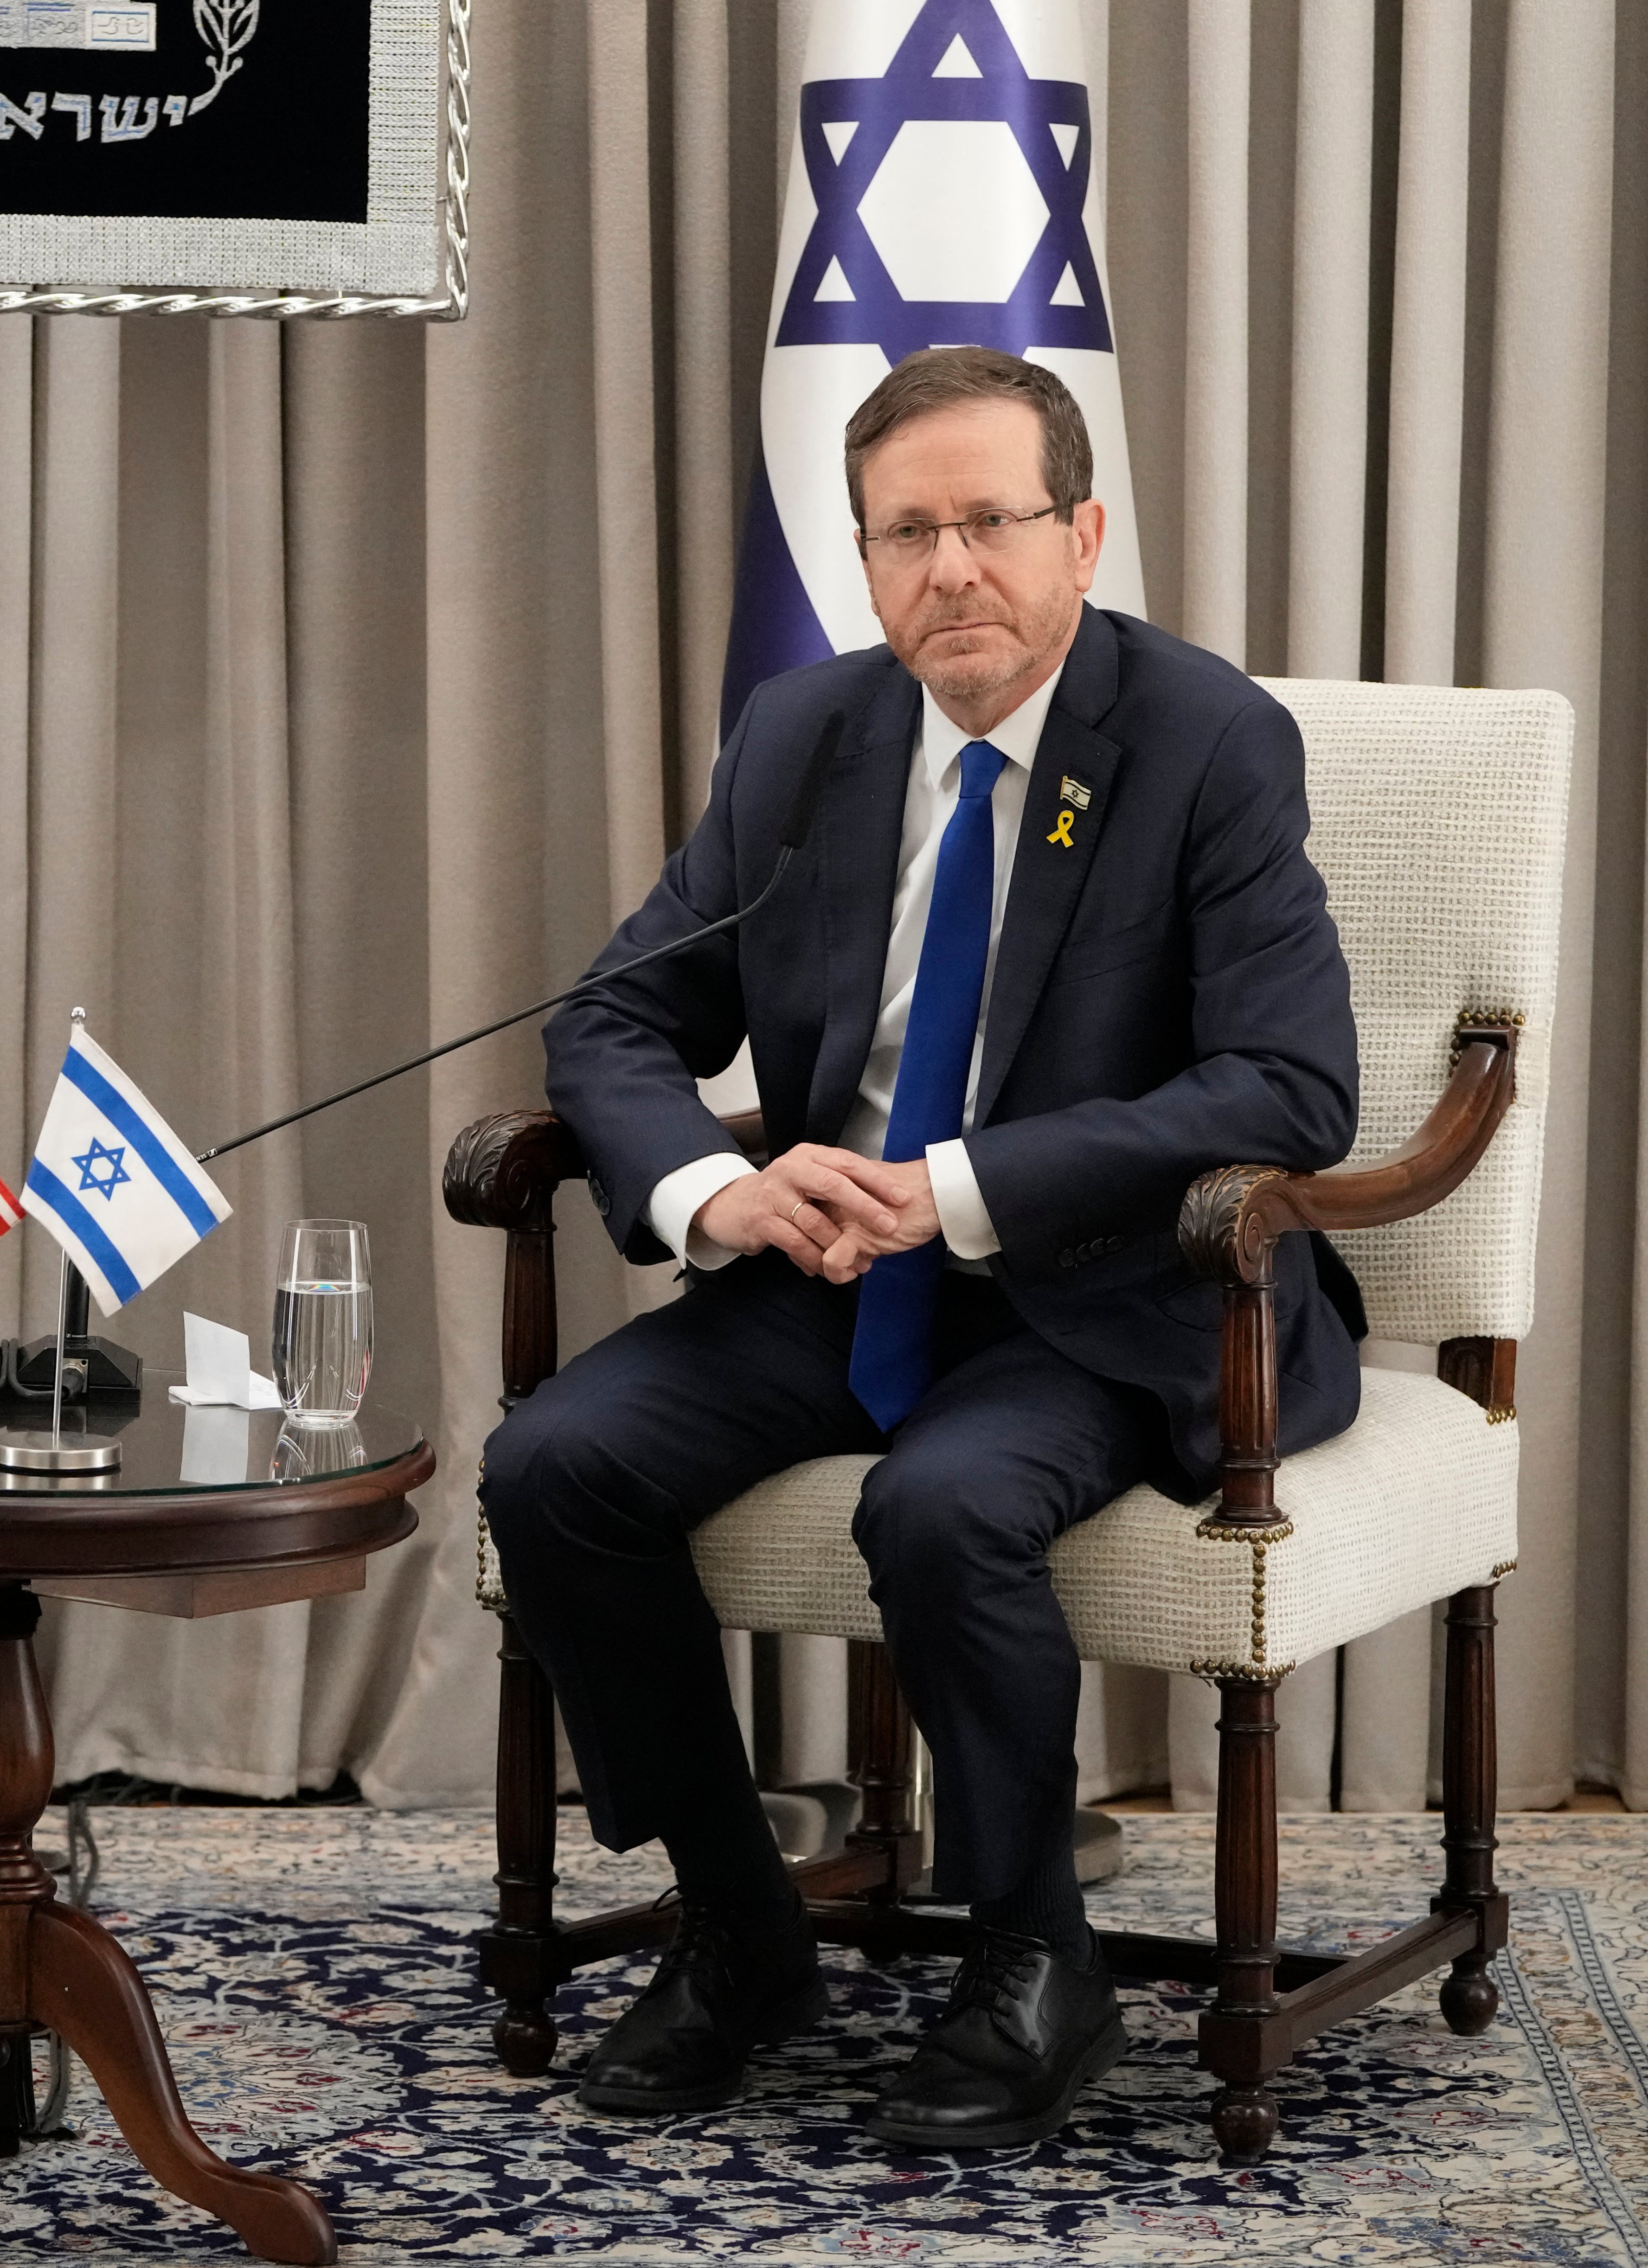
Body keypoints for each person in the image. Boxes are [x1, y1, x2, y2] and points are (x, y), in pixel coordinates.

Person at [480, 346, 1360, 2152]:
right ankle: (739, 1928)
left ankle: (1034, 1957)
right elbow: (617, 1018)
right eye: (907, 532)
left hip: (1103, 1288)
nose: (949, 568)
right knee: (553, 1463)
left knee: (938, 1506)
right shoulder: (803, 735)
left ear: (1081, 531)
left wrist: (962, 1183)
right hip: (833, 1272)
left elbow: (1286, 1087)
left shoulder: (1199, 738)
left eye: (988, 521)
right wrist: (711, 1194)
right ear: (865, 559)